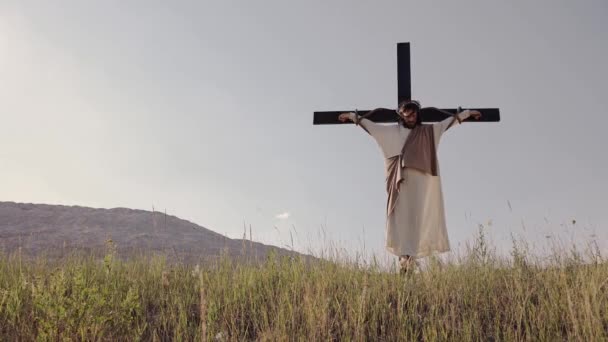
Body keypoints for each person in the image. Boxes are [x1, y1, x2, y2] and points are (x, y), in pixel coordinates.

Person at [338, 100, 481, 273]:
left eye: (414, 114)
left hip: (420, 187)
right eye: (408, 114)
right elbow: (370, 127)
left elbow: (446, 124)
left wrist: (467, 113)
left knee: (417, 221)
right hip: (400, 185)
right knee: (400, 221)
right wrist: (352, 116)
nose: (412, 117)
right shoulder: (391, 132)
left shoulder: (427, 132)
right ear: (401, 115)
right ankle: (404, 260)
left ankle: (410, 259)